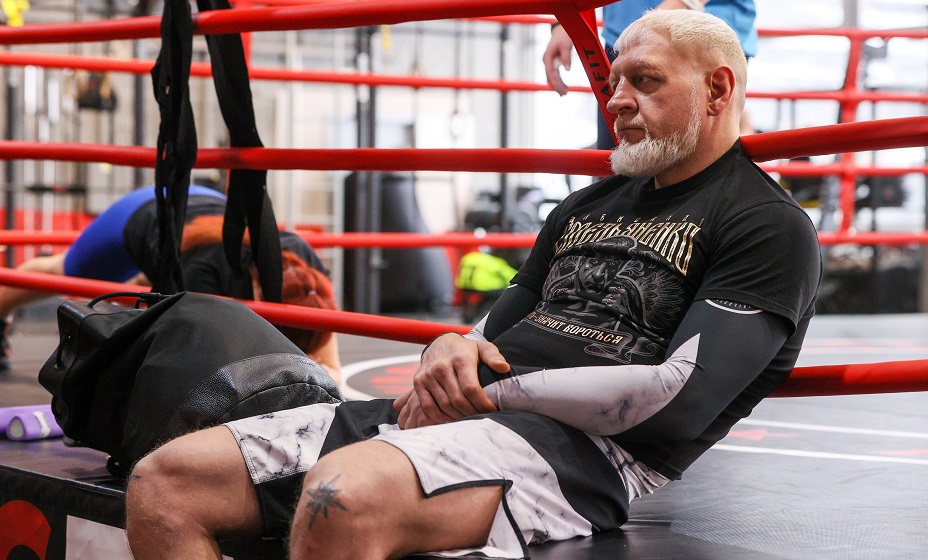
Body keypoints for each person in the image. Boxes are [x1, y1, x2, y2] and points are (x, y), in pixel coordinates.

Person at [124, 11, 821, 560]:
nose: (617, 101)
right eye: (613, 82)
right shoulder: (587, 204)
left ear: (717, 89)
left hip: (579, 452)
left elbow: (677, 401)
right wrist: (449, 349)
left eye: (645, 81)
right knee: (164, 483)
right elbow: (496, 326)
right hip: (468, 412)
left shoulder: (765, 224)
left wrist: (487, 390)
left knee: (341, 499)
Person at [0, 185, 342, 383]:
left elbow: (329, 365)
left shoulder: (309, 277)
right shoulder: (204, 276)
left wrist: (313, 368)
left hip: (199, 209)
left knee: (156, 282)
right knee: (62, 272)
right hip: (145, 211)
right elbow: (212, 367)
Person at [543, 0, 757, 149]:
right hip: (622, 32)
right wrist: (566, 16)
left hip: (697, 29)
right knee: (619, 164)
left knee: (694, 165)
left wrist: (684, 2)